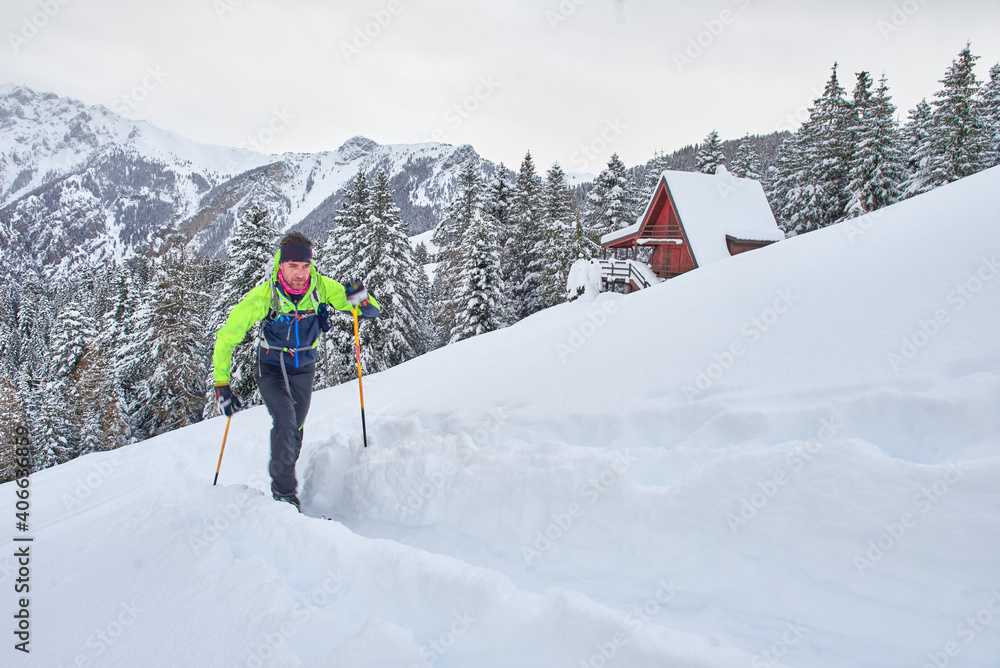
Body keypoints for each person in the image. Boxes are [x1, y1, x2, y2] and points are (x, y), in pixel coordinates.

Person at [212, 231, 380, 510]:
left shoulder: (320, 286)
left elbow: (369, 310)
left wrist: (361, 300)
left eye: (305, 266)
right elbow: (227, 337)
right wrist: (221, 384)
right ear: (281, 266)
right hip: (271, 366)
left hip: (304, 366)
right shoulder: (265, 296)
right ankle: (285, 497)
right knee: (286, 420)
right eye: (293, 267)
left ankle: (285, 474)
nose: (300, 274)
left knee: (296, 427)